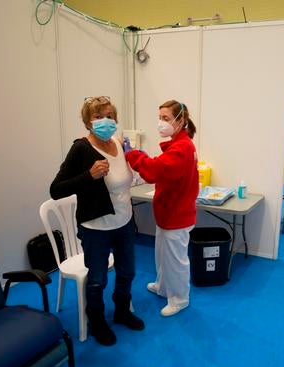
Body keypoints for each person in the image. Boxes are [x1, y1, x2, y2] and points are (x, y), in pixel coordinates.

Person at [50, 96, 144, 346]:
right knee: (97, 279)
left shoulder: (116, 141)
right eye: (98, 116)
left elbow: (124, 181)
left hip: (124, 222)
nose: (106, 121)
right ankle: (97, 320)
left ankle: (122, 311)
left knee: (128, 272)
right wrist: (88, 176)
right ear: (87, 122)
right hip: (96, 228)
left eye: (110, 115)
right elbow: (56, 189)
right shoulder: (81, 148)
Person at [124, 100, 198, 316]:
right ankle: (164, 286)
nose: (161, 123)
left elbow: (155, 170)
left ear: (180, 120)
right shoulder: (179, 144)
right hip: (169, 213)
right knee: (163, 254)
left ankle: (180, 298)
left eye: (166, 118)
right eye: (160, 118)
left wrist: (132, 154)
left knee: (176, 260)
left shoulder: (182, 147)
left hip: (176, 214)